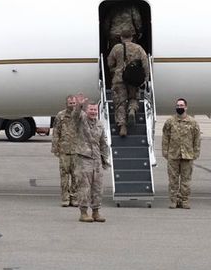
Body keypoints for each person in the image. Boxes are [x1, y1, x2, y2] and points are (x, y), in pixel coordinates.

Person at [71, 94, 111, 222]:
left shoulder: (99, 124)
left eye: (95, 110)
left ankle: (96, 211)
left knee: (97, 187)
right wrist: (79, 105)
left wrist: (105, 159)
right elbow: (75, 115)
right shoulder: (81, 120)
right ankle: (83, 212)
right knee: (84, 187)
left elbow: (103, 142)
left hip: (97, 159)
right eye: (91, 109)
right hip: (84, 159)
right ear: (86, 110)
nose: (93, 112)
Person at [106, 28, 150, 137]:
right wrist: (145, 78)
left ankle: (122, 126)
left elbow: (110, 62)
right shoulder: (139, 48)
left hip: (119, 78)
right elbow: (145, 64)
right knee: (133, 97)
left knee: (120, 102)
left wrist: (115, 70)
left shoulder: (117, 48)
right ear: (131, 37)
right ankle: (132, 110)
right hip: (134, 78)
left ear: (121, 37)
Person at [161, 98, 200, 209]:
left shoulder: (193, 122)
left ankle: (184, 200)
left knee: (185, 180)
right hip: (173, 155)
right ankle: (174, 200)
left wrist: (196, 152)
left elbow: (197, 138)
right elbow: (165, 137)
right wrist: (165, 151)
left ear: (186, 107)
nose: (179, 107)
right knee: (173, 179)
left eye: (181, 105)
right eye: (178, 105)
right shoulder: (170, 122)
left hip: (187, 155)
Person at [51, 95, 79, 207]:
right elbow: (56, 132)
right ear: (66, 104)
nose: (72, 105)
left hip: (77, 150)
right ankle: (65, 198)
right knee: (64, 175)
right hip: (64, 150)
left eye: (74, 103)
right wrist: (55, 148)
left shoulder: (80, 115)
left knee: (76, 176)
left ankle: (74, 197)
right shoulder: (60, 115)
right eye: (70, 103)